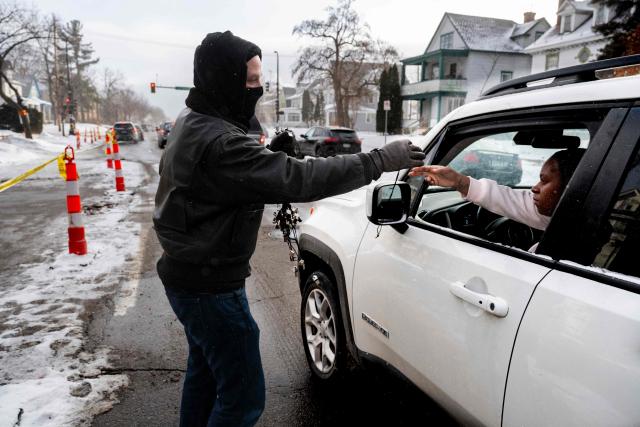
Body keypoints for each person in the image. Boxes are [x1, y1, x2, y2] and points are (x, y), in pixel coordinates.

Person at [153, 31, 425, 427]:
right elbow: (301, 180)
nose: (258, 88)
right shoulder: (221, 142)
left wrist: (267, 158)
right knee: (242, 399)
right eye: (249, 81)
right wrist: (378, 160)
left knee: (206, 373)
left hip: (190, 277)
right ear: (222, 79)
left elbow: (228, 182)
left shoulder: (194, 120)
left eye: (260, 78)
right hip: (210, 289)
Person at [409, 148, 586, 250]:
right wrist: (458, 181)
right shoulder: (563, 218)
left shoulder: (576, 244)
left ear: (573, 188)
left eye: (545, 180)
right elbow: (509, 200)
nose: (534, 188)